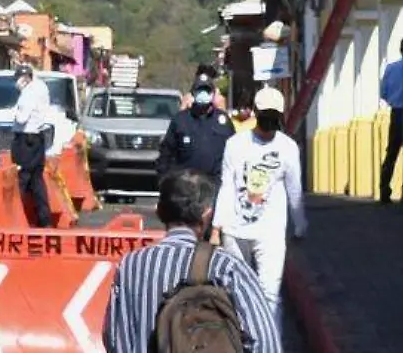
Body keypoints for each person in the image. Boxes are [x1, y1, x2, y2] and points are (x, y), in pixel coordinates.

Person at [104, 169, 281, 353]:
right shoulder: (228, 267)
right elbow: (266, 344)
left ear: (159, 212)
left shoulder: (131, 266)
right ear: (207, 215)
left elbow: (116, 340)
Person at [213, 85, 306, 321]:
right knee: (237, 294)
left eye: (273, 117)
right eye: (265, 115)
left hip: (270, 232)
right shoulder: (235, 144)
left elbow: (294, 189)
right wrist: (217, 228)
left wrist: (300, 224)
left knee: (270, 297)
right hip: (235, 231)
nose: (269, 123)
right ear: (255, 112)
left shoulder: (287, 148)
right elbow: (226, 186)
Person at [159, 71, 236, 184]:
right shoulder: (180, 120)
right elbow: (167, 153)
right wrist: (165, 180)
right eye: (200, 90)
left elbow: (234, 151)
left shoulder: (223, 121)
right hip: (186, 185)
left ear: (213, 93)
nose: (203, 93)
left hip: (216, 185)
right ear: (193, 93)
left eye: (207, 90)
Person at [9, 63, 54, 228]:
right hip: (38, 138)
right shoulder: (42, 87)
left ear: (25, 78)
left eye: (18, 79)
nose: (17, 82)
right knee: (37, 181)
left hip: (26, 140)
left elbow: (21, 118)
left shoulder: (28, 93)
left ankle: (15, 218)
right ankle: (45, 220)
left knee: (21, 180)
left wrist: (12, 113)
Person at [379, 36, 403, 205]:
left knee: (391, 152)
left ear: (401, 49)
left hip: (396, 111)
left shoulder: (391, 68)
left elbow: (383, 92)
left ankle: (384, 188)